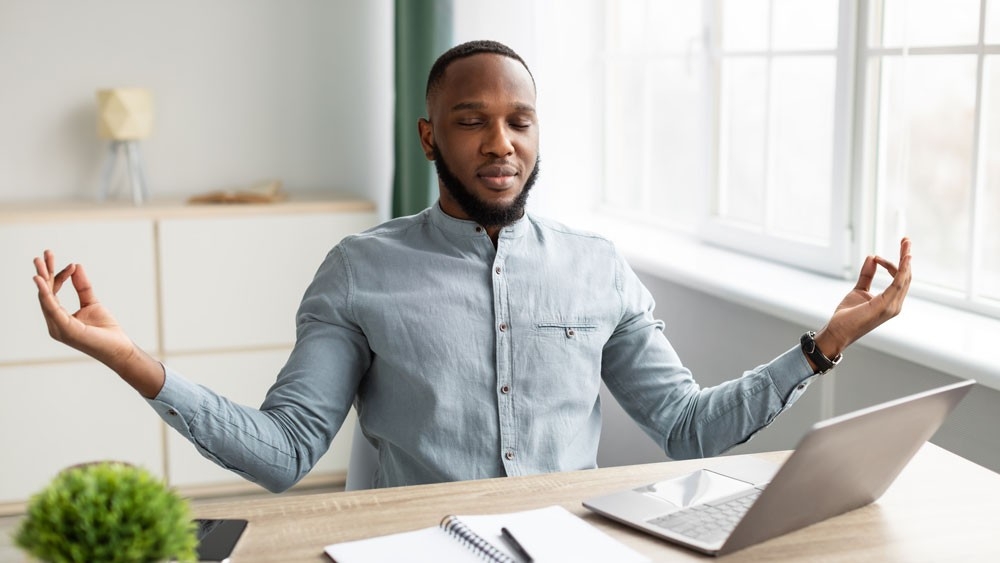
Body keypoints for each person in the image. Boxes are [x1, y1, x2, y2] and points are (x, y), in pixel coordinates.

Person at [32, 40, 912, 492]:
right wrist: (127, 357)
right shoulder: (358, 270)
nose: (501, 143)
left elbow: (686, 428)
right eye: (471, 120)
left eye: (520, 120)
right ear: (429, 136)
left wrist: (823, 344)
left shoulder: (599, 268)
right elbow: (286, 453)